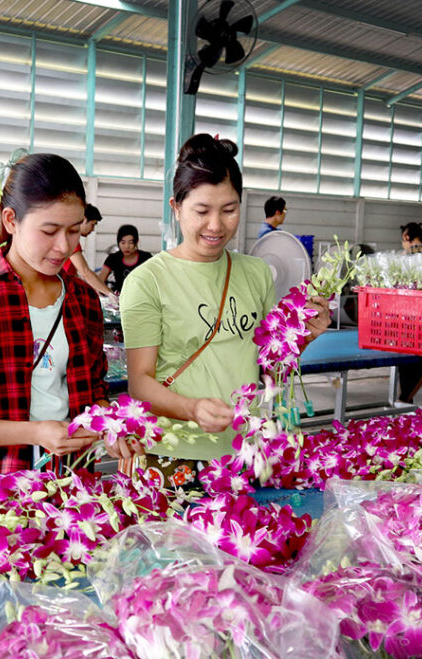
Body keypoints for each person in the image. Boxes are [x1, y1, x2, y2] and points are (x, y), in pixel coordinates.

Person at [119, 135, 330, 485]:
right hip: (177, 454)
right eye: (202, 211)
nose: (216, 225)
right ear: (176, 207)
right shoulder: (147, 281)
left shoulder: (256, 272)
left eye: (229, 210)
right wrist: (192, 409)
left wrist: (303, 336)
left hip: (248, 449)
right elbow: (140, 383)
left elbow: (268, 367)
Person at [0, 154, 141, 493]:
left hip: (74, 489)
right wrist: (35, 432)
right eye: (49, 231)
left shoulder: (83, 300)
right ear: (11, 220)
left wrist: (110, 426)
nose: (64, 246)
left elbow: (95, 390)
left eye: (74, 230)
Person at [395, 222, 422, 403]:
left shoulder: (403, 258)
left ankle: (405, 396)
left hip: (407, 318)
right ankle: (407, 396)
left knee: (405, 359)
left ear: (406, 237)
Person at [64, 203, 115, 297]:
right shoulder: (70, 238)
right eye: (92, 224)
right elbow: (85, 272)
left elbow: (74, 274)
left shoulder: (70, 237)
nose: (93, 229)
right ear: (83, 219)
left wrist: (92, 288)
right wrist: (109, 293)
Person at [99, 224, 153, 293]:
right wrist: (109, 293)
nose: (126, 246)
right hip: (120, 297)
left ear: (136, 242)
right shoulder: (113, 258)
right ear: (118, 243)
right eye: (123, 242)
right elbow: (100, 281)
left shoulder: (146, 257)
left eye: (130, 243)